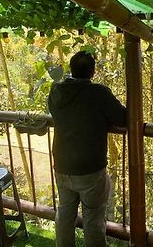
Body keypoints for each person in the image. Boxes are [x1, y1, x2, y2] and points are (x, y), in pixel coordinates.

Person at [48, 50, 126, 247]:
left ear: (71, 70)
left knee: (65, 212)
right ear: (93, 72)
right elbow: (123, 118)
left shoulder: (56, 92)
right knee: (93, 217)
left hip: (62, 164)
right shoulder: (99, 93)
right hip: (90, 167)